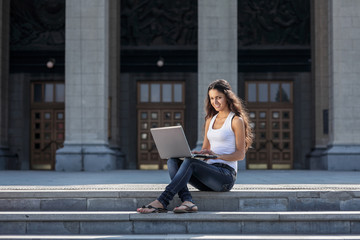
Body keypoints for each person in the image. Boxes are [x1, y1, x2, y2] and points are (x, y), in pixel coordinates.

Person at [137, 79, 253, 214]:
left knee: (190, 163)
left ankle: (162, 201)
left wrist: (215, 155)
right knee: (173, 161)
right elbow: (206, 149)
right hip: (209, 173)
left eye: (218, 98)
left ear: (227, 97)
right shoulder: (210, 120)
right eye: (212, 98)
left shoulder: (235, 120)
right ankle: (188, 201)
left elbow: (240, 154)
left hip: (225, 177)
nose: (215, 102)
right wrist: (199, 153)